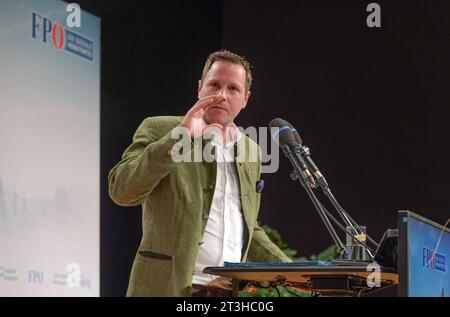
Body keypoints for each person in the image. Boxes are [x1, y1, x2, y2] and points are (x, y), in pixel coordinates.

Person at [108, 50, 291, 297]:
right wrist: (180, 138)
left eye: (233, 89)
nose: (221, 95)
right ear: (200, 88)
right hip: (168, 288)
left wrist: (294, 271)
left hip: (225, 291)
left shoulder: (252, 151)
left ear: (245, 98)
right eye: (214, 84)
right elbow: (122, 191)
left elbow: (248, 228)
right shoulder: (160, 128)